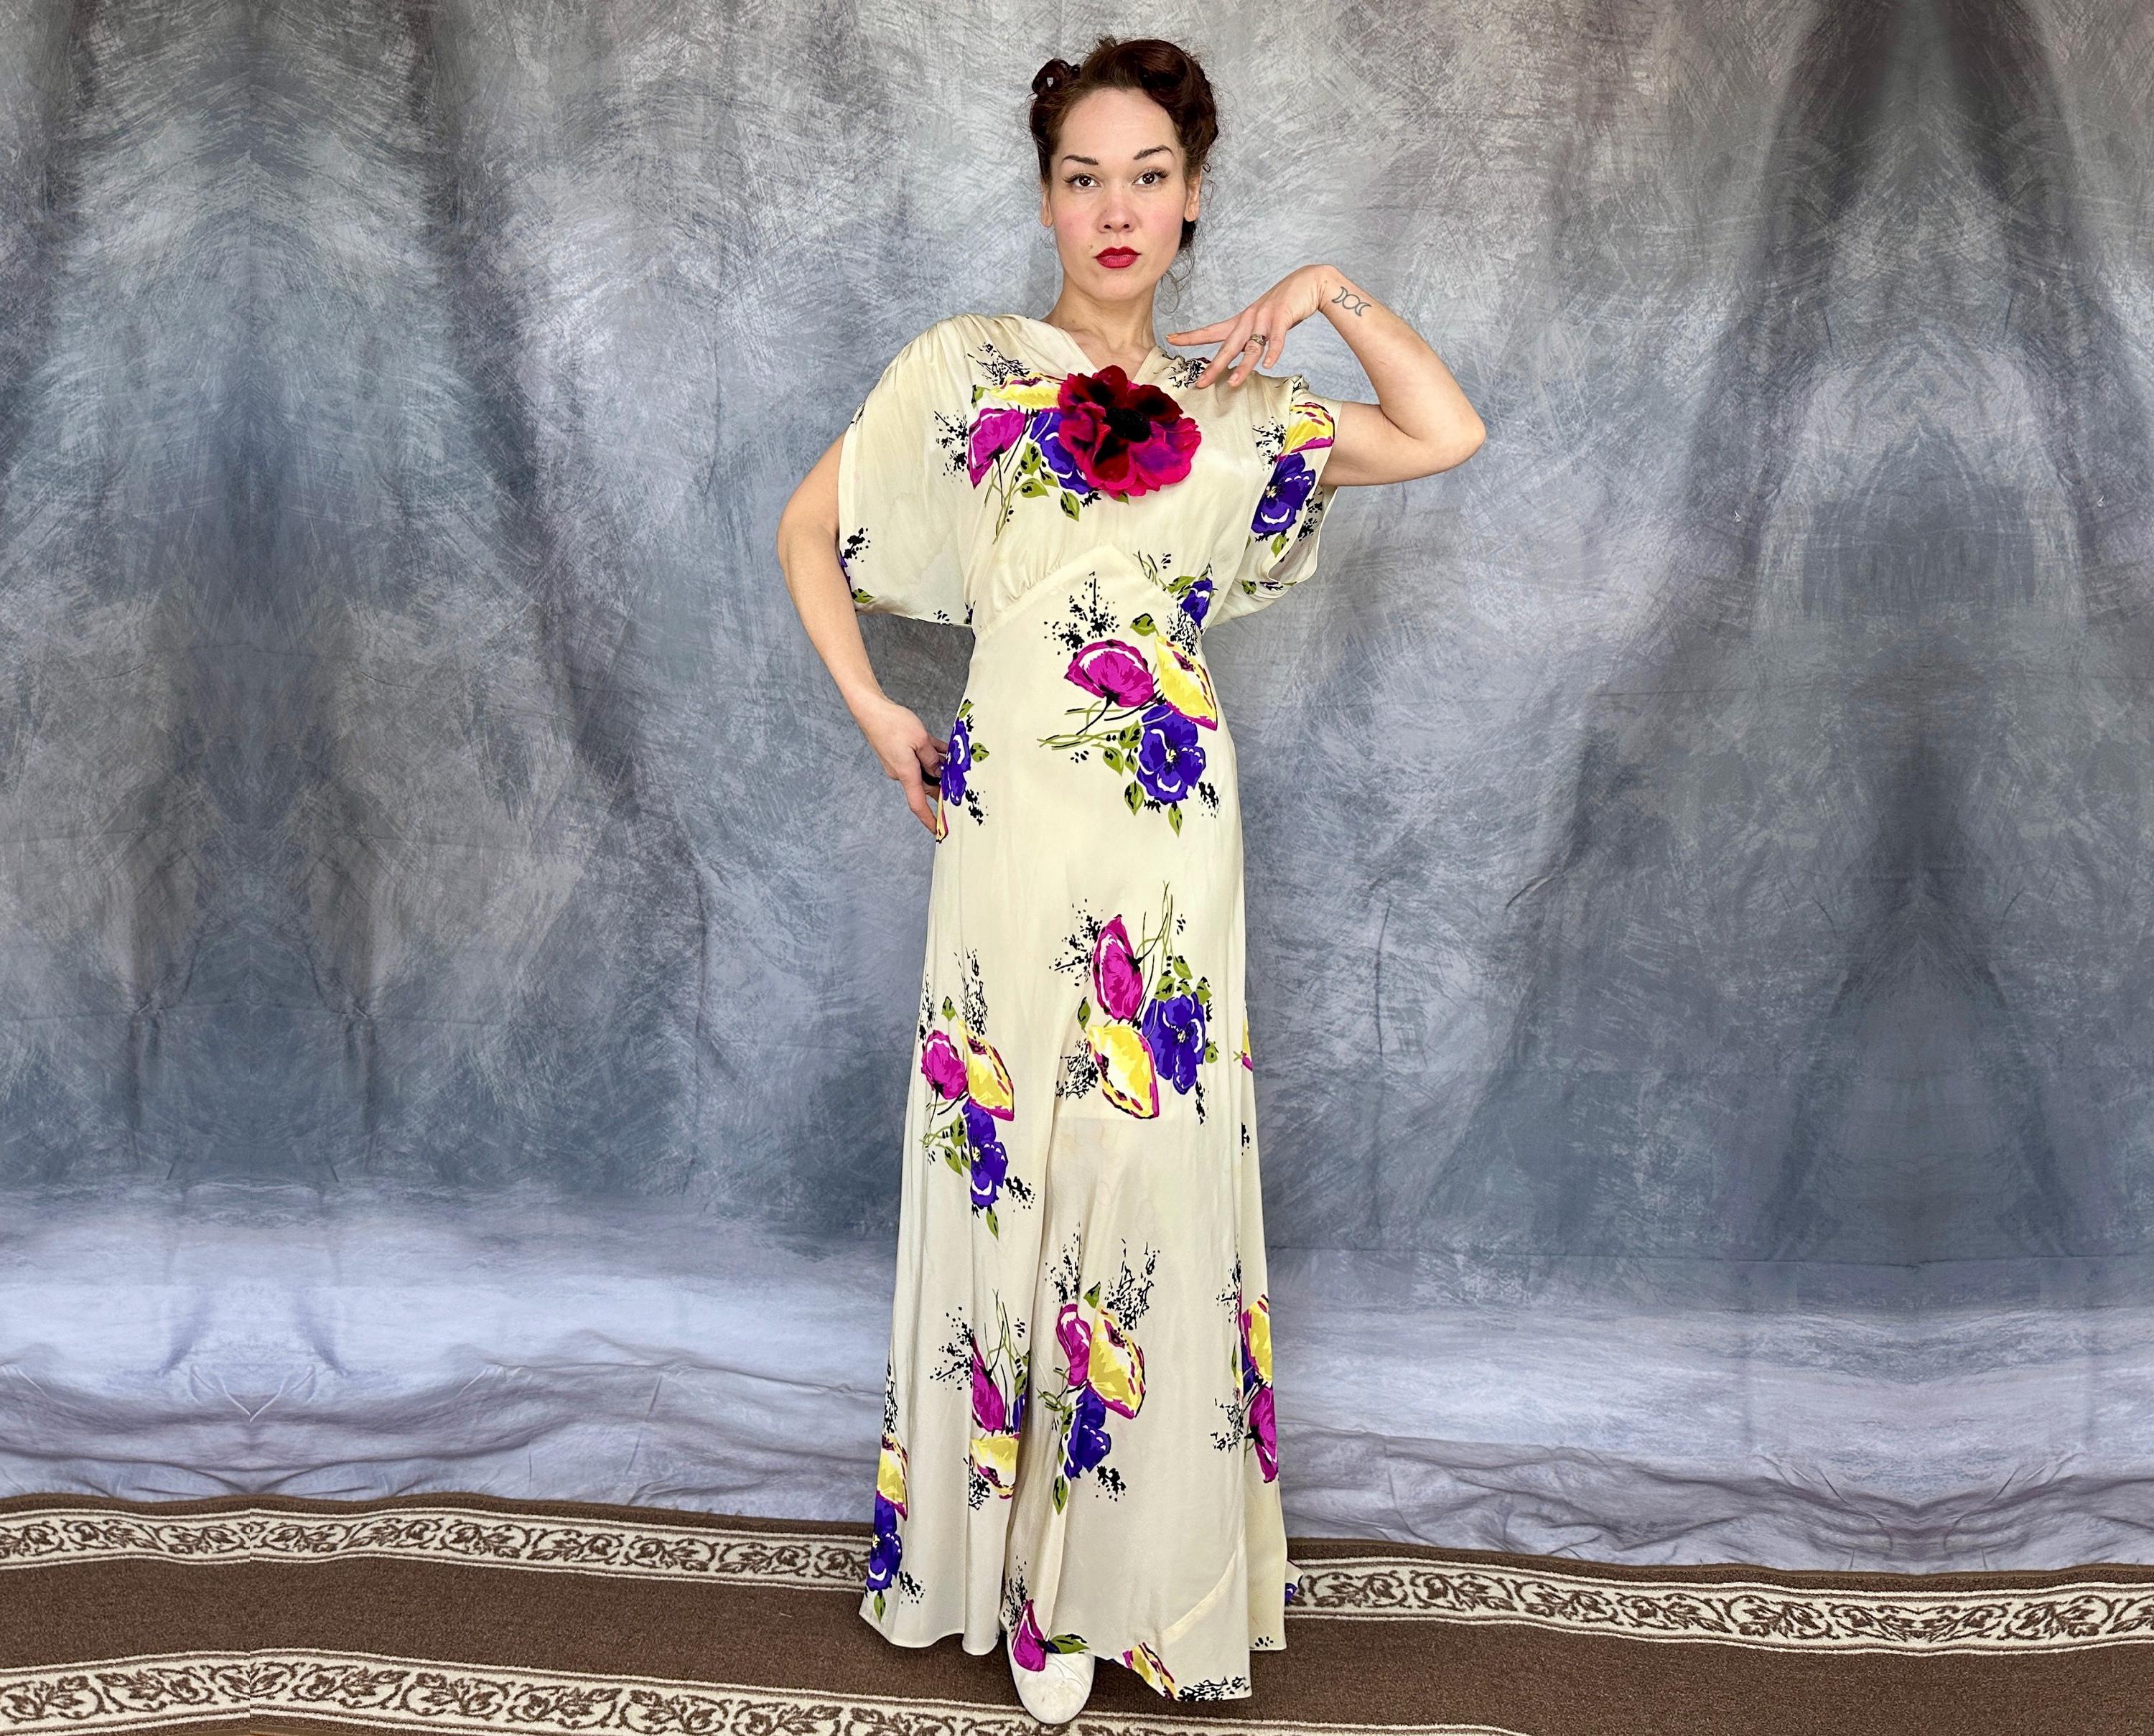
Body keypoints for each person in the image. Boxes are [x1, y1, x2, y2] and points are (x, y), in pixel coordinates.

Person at [775, 34, 1483, 1726]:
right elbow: (809, 531)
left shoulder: (1239, 404)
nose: (1116, 206)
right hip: (1011, 813)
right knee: (1012, 1151)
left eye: (1149, 177)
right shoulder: (965, 371)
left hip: (1170, 830)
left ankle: (1127, 1578)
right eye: (1084, 176)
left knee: (1148, 1165)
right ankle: (1023, 1582)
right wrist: (877, 709)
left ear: (1189, 200)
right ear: (1044, 200)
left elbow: (1445, 430)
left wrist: (1326, 289)